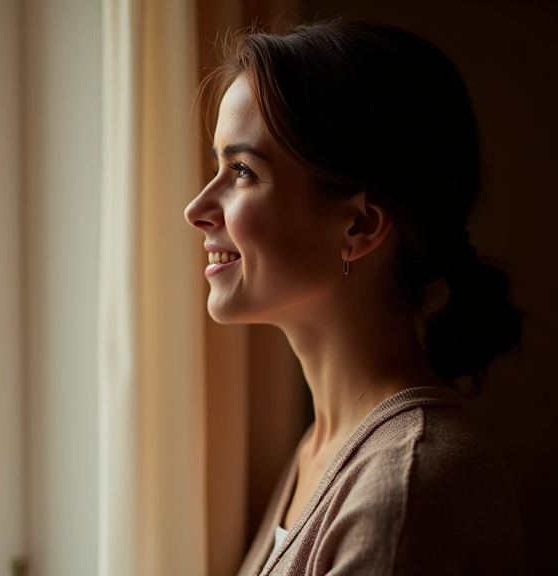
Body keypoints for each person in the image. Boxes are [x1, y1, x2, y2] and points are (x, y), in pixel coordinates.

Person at [184, 20, 525, 575]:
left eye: (241, 171)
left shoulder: (407, 489)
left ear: (361, 225)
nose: (196, 208)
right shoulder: (323, 449)